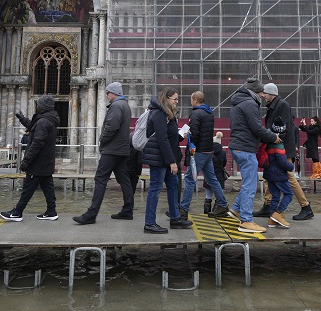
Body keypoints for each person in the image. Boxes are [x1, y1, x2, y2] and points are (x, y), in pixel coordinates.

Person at [74, 82, 136, 224]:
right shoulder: (125, 106)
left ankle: (91, 214)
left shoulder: (116, 106)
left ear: (113, 93)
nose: (106, 96)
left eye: (107, 93)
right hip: (121, 149)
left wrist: (102, 140)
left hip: (112, 149)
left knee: (100, 179)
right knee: (124, 179)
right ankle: (127, 210)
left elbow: (111, 126)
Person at [225, 78, 280, 234]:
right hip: (245, 148)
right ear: (256, 91)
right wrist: (272, 137)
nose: (263, 95)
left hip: (238, 146)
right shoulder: (250, 103)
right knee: (250, 184)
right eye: (262, 92)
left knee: (249, 181)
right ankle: (246, 221)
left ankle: (236, 210)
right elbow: (256, 127)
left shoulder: (238, 102)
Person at [257, 83, 313, 220]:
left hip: (282, 149)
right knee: (271, 175)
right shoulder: (276, 105)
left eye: (265, 93)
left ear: (271, 94)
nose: (263, 96)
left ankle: (306, 206)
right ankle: (268, 205)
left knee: (289, 177)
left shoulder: (281, 105)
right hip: (277, 147)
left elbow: (285, 128)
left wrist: (273, 138)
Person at [0, 94, 60, 222]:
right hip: (46, 161)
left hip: (38, 161)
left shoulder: (43, 122)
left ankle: (17, 212)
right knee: (48, 187)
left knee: (28, 187)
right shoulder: (48, 119)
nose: (37, 106)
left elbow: (37, 143)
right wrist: (22, 119)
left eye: (39, 104)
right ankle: (51, 211)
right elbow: (34, 127)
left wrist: (26, 161)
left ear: (43, 107)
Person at [139, 88, 187, 234]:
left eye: (177, 99)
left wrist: (181, 135)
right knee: (155, 188)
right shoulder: (159, 113)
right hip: (159, 159)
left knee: (173, 186)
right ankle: (149, 223)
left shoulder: (168, 114)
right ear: (166, 99)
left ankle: (175, 218)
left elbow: (170, 137)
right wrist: (172, 162)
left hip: (167, 157)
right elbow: (162, 139)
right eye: (174, 99)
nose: (177, 102)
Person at [178, 90, 229, 219]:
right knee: (212, 179)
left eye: (191, 100)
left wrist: (188, 134)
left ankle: (183, 210)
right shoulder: (209, 113)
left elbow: (195, 133)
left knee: (190, 179)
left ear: (195, 100)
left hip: (198, 152)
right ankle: (222, 205)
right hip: (208, 151)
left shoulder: (195, 114)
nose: (191, 102)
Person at [262, 142, 294, 228]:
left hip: (269, 174)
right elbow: (282, 162)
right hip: (278, 174)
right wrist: (291, 166)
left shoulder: (267, 145)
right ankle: (278, 213)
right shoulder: (278, 147)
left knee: (275, 196)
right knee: (289, 194)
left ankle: (271, 219)